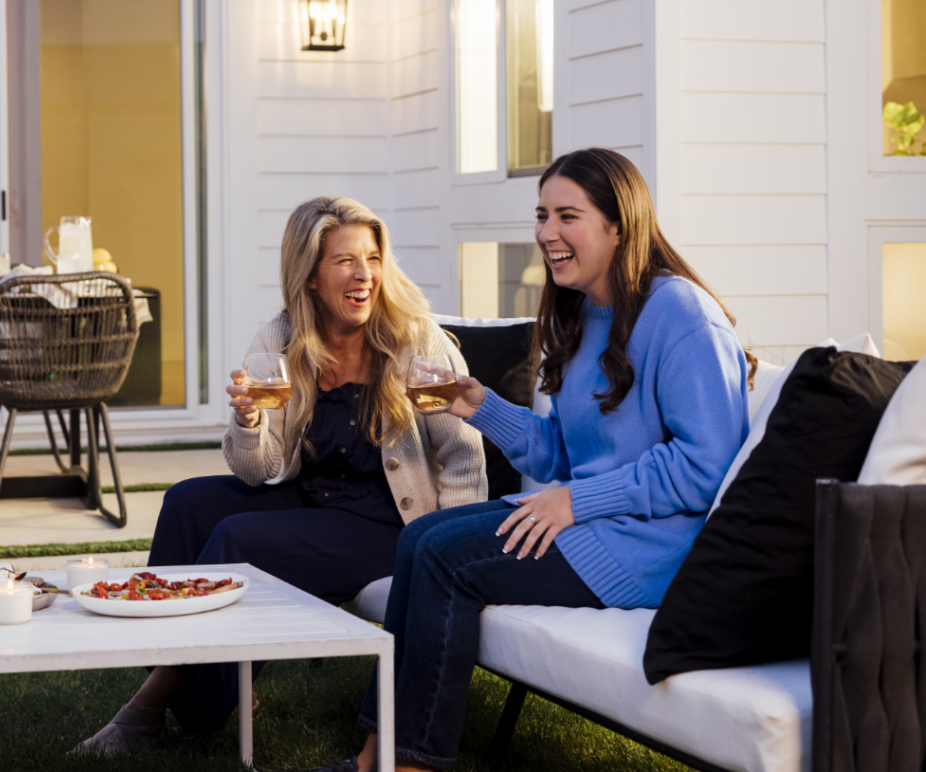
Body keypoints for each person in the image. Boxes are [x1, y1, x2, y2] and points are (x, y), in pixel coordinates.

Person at [311, 148, 757, 772]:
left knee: (443, 558)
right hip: (593, 524)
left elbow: (704, 467)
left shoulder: (680, 313)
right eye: (542, 214)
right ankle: (375, 756)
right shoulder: (584, 316)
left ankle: (406, 764)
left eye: (567, 216)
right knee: (422, 539)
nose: (547, 233)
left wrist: (578, 500)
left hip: (651, 550)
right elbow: (562, 454)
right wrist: (478, 404)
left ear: (618, 225)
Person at [77, 196, 486, 755]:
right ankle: (197, 698)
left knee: (240, 539)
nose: (364, 274)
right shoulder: (282, 339)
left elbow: (463, 455)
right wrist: (248, 422)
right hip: (312, 498)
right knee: (188, 503)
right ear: (311, 277)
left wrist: (448, 545)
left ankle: (148, 709)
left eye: (371, 258)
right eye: (344, 260)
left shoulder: (416, 340)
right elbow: (258, 469)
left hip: (393, 525)